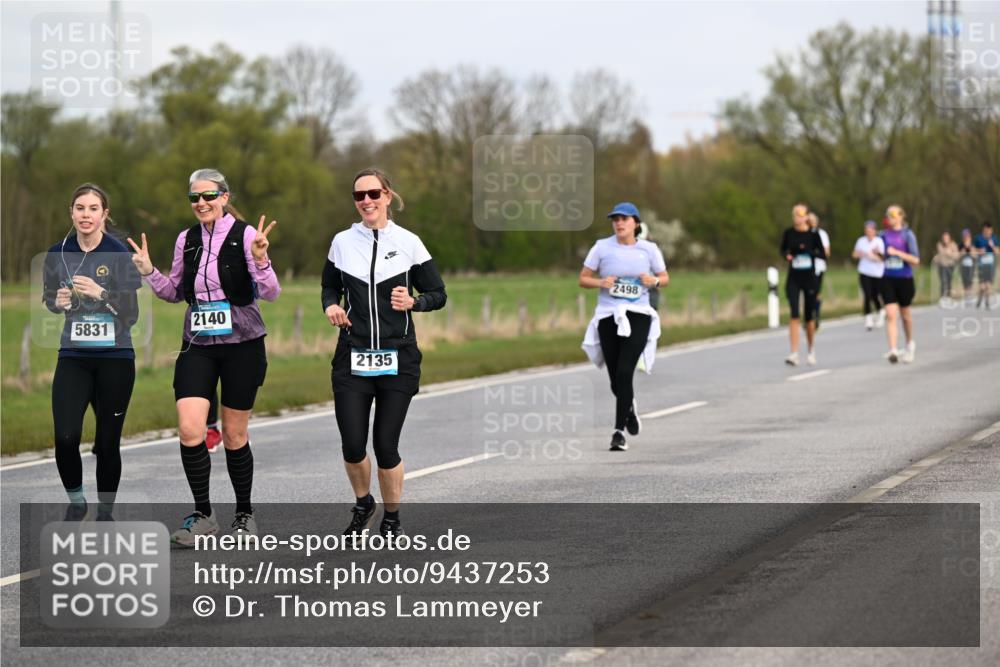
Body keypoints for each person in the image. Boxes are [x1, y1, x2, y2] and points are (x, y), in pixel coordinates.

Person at [128, 168, 280, 545]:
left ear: (225, 197)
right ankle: (203, 514)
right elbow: (174, 291)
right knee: (191, 428)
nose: (201, 203)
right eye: (194, 198)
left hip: (242, 344)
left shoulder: (247, 236)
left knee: (233, 433)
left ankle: (244, 513)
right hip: (198, 343)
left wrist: (261, 259)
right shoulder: (186, 239)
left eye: (209, 196)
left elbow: (272, 292)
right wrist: (149, 272)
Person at [322, 168, 446, 538]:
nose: (366, 201)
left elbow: (438, 294)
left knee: (385, 444)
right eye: (359, 196)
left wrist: (414, 301)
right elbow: (329, 288)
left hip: (398, 358)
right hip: (352, 356)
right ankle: (364, 504)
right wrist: (331, 306)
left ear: (387, 196)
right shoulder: (342, 242)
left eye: (373, 194)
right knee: (352, 444)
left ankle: (391, 517)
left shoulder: (409, 242)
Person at [43, 184, 141, 521]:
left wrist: (102, 293)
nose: (86, 214)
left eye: (93, 208)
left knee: (107, 442)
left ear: (104, 214)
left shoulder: (118, 253)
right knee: (66, 436)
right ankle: (76, 501)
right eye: (80, 208)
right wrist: (57, 302)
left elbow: (131, 315)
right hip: (74, 356)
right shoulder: (57, 253)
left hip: (115, 359)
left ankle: (104, 513)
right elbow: (49, 299)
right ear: (71, 212)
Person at [580, 202, 668, 452]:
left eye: (624, 219)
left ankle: (618, 432)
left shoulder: (649, 249)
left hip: (638, 313)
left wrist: (654, 281)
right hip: (608, 315)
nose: (619, 223)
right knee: (614, 379)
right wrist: (600, 282)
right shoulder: (601, 247)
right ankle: (629, 408)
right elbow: (583, 279)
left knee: (625, 371)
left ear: (636, 224)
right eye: (615, 219)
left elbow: (665, 278)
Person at [780, 204, 826, 366]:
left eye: (800, 215)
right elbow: (783, 251)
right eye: (795, 215)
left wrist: (808, 251)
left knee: (808, 316)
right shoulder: (789, 233)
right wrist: (789, 255)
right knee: (794, 313)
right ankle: (793, 353)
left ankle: (811, 350)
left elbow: (822, 254)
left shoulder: (814, 235)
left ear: (807, 217)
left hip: (809, 278)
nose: (797, 218)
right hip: (793, 277)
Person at [879, 204, 920, 363]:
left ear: (902, 216)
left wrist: (897, 253)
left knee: (905, 316)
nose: (891, 218)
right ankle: (893, 349)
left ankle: (910, 343)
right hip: (888, 278)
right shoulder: (883, 235)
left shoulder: (908, 235)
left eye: (894, 215)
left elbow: (916, 260)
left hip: (904, 278)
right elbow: (881, 257)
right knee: (890, 314)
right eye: (889, 215)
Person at [851, 220, 885, 330]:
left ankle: (880, 312)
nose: (869, 232)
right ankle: (868, 319)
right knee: (867, 295)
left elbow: (882, 259)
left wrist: (875, 254)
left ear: (875, 231)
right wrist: (862, 254)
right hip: (864, 271)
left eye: (871, 230)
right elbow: (854, 254)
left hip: (877, 273)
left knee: (875, 295)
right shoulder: (861, 241)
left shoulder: (879, 241)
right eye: (867, 230)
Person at [808, 212, 831, 328]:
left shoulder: (822, 234)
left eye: (813, 221)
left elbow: (826, 252)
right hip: (805, 268)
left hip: (818, 267)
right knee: (807, 292)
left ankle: (816, 315)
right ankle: (809, 316)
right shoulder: (803, 233)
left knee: (816, 292)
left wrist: (814, 253)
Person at [973, 222, 997, 309]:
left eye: (990, 230)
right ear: (984, 230)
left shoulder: (994, 238)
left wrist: (992, 246)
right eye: (987, 230)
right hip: (981, 264)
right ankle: (979, 299)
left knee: (988, 284)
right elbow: (973, 249)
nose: (989, 232)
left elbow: (998, 251)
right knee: (982, 286)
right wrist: (979, 250)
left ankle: (987, 302)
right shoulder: (978, 238)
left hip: (991, 265)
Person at [932, 231, 960, 301]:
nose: (945, 240)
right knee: (943, 281)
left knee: (949, 281)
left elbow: (957, 256)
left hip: (950, 265)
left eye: (946, 238)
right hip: (942, 265)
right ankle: (942, 297)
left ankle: (948, 296)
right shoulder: (939, 245)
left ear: (949, 238)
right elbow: (940, 254)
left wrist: (950, 254)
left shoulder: (953, 245)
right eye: (944, 238)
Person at [957, 229, 977, 305]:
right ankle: (966, 297)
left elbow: (975, 255)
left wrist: (970, 248)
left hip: (971, 265)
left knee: (970, 281)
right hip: (963, 265)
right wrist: (964, 249)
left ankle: (970, 296)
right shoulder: (960, 245)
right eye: (964, 236)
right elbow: (958, 256)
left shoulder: (973, 244)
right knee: (965, 281)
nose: (966, 237)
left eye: (967, 236)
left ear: (969, 236)